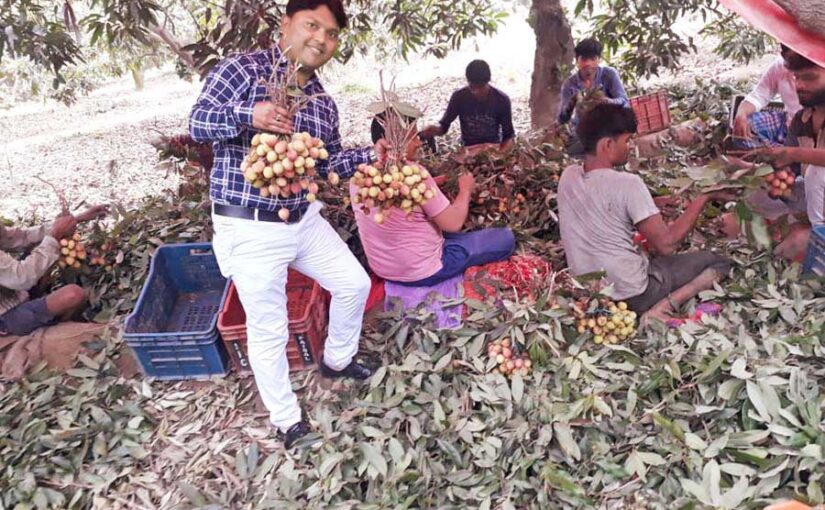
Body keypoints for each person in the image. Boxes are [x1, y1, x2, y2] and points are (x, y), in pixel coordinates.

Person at [189, 0, 389, 449]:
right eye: (312, 25)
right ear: (286, 25)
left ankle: (337, 360)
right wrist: (250, 115)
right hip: (250, 226)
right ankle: (286, 420)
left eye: (332, 33)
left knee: (354, 284)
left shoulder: (322, 104)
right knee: (269, 329)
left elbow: (325, 165)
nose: (321, 38)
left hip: (302, 217)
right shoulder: (242, 70)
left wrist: (369, 158)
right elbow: (198, 123)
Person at [557, 103, 734, 323]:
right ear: (608, 144)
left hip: (588, 293)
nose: (630, 146)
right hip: (633, 294)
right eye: (627, 140)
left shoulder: (568, 176)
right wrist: (704, 197)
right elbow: (667, 245)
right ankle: (661, 308)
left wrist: (652, 203)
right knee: (718, 261)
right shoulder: (629, 184)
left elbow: (601, 203)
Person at [353, 118, 515, 287]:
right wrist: (465, 189)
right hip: (423, 271)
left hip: (383, 269)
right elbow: (453, 224)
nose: (418, 143)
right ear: (395, 143)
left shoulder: (359, 179)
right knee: (505, 238)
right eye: (413, 137)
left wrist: (433, 183)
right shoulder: (415, 175)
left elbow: (397, 194)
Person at [749, 47, 825, 261]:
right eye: (796, 77)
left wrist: (793, 153)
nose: (799, 85)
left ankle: (817, 235)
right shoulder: (802, 120)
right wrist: (775, 175)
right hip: (817, 198)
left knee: (816, 173)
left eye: (809, 78)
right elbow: (789, 170)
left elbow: (800, 159)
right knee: (756, 195)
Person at [1, 205, 108, 337]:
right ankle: (53, 327)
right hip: (6, 315)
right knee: (74, 294)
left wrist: (75, 219)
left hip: (13, 291)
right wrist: (55, 235)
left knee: (40, 247)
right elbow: (23, 277)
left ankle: (41, 304)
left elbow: (22, 237)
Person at [419, 60, 515, 153]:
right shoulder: (459, 97)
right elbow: (444, 127)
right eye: (472, 87)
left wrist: (500, 155)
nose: (476, 91)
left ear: (488, 82)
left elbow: (509, 136)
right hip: (468, 149)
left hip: (492, 147)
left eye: (480, 87)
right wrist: (433, 130)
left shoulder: (501, 100)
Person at [557, 38, 629, 153]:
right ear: (577, 61)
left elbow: (624, 102)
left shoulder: (609, 75)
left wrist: (606, 101)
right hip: (584, 132)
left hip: (609, 127)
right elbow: (562, 119)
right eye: (584, 59)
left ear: (599, 60)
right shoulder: (570, 84)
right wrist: (571, 104)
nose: (588, 63)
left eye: (593, 59)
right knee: (571, 152)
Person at [732, 45, 803, 148]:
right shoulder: (780, 66)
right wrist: (741, 114)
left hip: (816, 136)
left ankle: (782, 155)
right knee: (745, 128)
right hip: (788, 125)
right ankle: (778, 153)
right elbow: (759, 95)